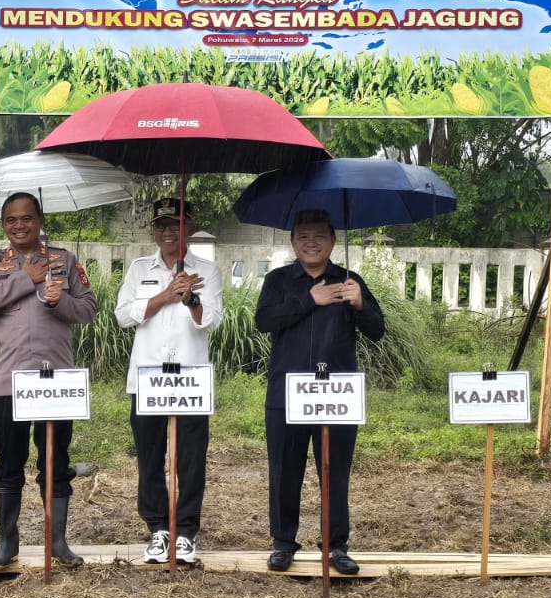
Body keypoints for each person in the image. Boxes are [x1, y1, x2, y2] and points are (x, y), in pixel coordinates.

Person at [254, 209, 385, 575]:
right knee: (284, 469)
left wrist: (359, 303)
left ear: (332, 241)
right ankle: (283, 542)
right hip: (286, 394)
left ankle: (336, 545)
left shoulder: (349, 281)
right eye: (303, 236)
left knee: (335, 471)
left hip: (336, 395)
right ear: (293, 242)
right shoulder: (278, 280)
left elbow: (377, 330)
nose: (310, 242)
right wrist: (311, 299)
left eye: (318, 236)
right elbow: (264, 321)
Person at [0, 191, 97, 567]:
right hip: (9, 380)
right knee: (8, 460)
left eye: (26, 218)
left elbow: (88, 309)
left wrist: (61, 302)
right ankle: (7, 542)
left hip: (55, 380)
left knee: (56, 460)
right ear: (3, 225)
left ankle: (56, 541)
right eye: (11, 220)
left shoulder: (64, 260)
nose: (19, 226)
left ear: (39, 221)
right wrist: (26, 279)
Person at [114, 197, 222, 565]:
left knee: (191, 458)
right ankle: (159, 528)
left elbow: (210, 321)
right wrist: (164, 296)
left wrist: (191, 298)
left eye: (174, 225)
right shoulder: (138, 268)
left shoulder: (207, 270)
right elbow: (124, 316)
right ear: (153, 231)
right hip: (147, 376)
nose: (166, 232)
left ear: (188, 229)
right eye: (160, 225)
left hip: (190, 378)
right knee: (150, 456)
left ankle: (186, 531)